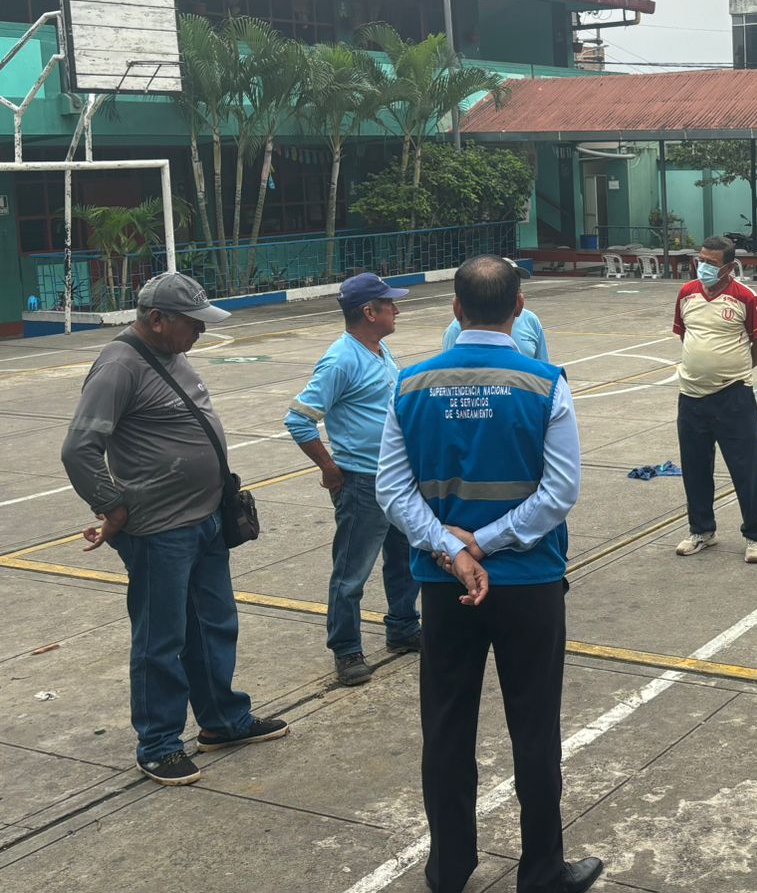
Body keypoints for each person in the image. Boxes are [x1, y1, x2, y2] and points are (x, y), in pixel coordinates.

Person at [376, 255, 602, 893]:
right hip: (529, 581)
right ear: (519, 308)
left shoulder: (410, 384)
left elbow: (392, 489)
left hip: (444, 586)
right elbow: (559, 493)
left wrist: (452, 550)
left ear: (455, 309)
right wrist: (488, 542)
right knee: (534, 727)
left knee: (447, 725)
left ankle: (448, 869)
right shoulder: (545, 384)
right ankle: (542, 870)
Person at [60, 272, 288, 786]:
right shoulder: (119, 366)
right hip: (159, 530)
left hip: (205, 520)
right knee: (161, 639)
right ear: (157, 319)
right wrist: (112, 506)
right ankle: (159, 744)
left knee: (213, 625)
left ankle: (223, 720)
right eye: (192, 322)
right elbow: (78, 449)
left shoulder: (174, 354)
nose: (201, 331)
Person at [285, 272, 421, 687]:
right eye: (389, 304)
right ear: (369, 312)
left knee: (405, 558)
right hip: (362, 481)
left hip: (394, 478)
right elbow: (299, 419)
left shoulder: (378, 350)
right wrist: (330, 468)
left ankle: (403, 626)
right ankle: (346, 649)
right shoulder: (341, 359)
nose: (397, 310)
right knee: (351, 572)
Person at [672, 235, 757, 563]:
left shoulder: (745, 297)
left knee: (746, 468)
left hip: (733, 396)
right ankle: (702, 530)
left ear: (729, 267)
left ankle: (756, 536)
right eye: (700, 260)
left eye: (711, 263)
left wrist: (733, 372)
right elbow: (686, 336)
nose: (702, 267)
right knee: (695, 467)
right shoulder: (686, 293)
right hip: (691, 396)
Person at [442, 256, 550, 360]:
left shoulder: (531, 321)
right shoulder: (456, 329)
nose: (509, 286)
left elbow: (542, 361)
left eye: (515, 281)